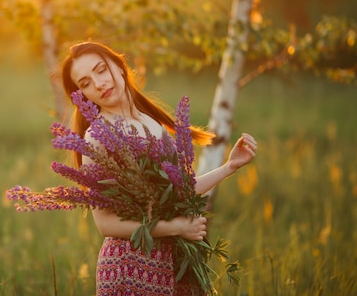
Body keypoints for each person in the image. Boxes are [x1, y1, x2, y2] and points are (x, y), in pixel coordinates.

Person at [60, 41, 257, 296]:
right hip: (129, 268)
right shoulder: (97, 137)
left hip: (172, 261)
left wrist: (230, 167)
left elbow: (181, 190)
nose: (98, 84)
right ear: (82, 96)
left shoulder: (150, 122)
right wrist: (177, 228)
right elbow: (105, 224)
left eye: (101, 70)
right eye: (85, 83)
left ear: (119, 67)